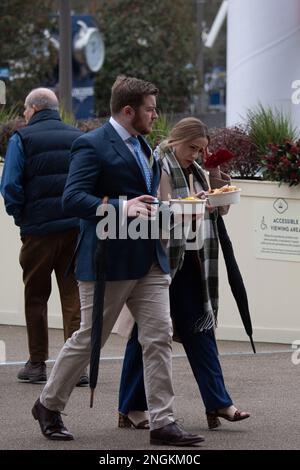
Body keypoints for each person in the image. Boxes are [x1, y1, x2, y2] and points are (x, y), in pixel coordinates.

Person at [31, 76, 204, 446]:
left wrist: (171, 211)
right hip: (107, 260)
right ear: (129, 111)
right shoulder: (90, 145)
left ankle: (163, 422)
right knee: (89, 339)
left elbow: (147, 200)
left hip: (150, 260)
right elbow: (73, 199)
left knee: (159, 337)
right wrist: (123, 206)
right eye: (150, 109)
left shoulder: (145, 146)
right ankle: (48, 404)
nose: (155, 116)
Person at [117, 117, 250, 430]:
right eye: (192, 147)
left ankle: (219, 403)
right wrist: (189, 208)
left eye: (201, 149)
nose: (196, 154)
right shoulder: (157, 168)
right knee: (146, 337)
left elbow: (217, 210)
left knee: (201, 330)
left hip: (193, 263)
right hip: (162, 263)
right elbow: (154, 213)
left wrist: (215, 185)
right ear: (175, 140)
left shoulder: (198, 171)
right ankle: (131, 407)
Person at [0, 88, 88, 387]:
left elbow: (10, 184)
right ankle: (76, 368)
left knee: (36, 296)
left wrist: (20, 216)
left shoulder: (22, 139)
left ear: (33, 108)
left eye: (25, 110)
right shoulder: (76, 136)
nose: (24, 115)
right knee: (73, 296)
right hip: (75, 228)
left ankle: (37, 364)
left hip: (38, 231)